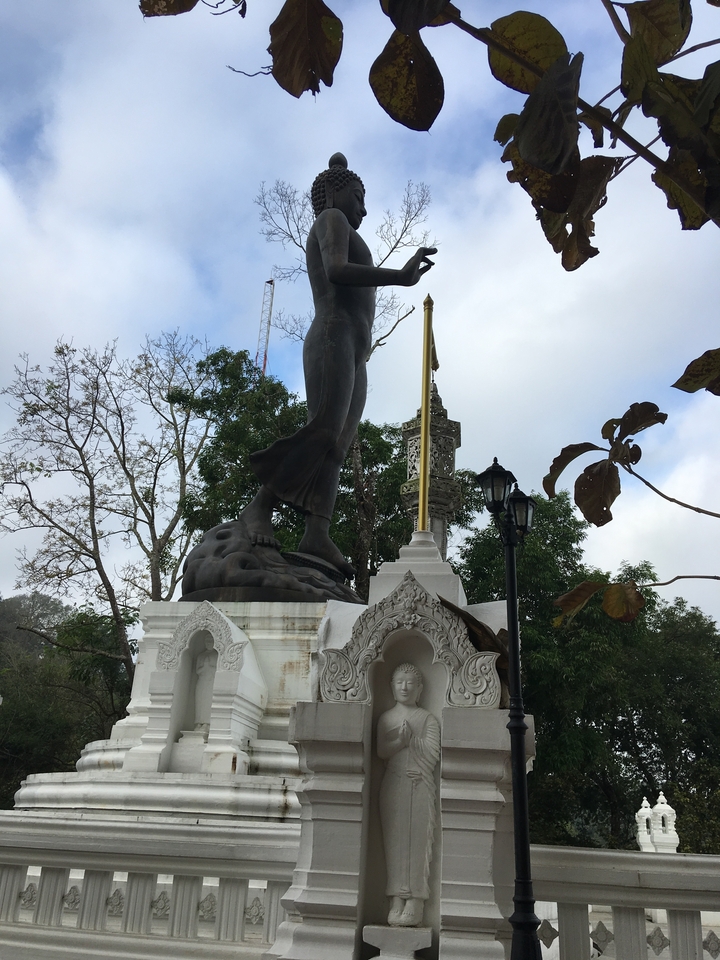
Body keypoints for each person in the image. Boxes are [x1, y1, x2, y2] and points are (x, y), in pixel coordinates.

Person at [239, 153, 437, 579]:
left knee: (338, 445)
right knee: (323, 429)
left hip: (355, 349)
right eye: (358, 196)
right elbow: (337, 269)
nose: (363, 208)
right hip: (332, 334)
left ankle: (317, 532)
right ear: (334, 191)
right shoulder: (332, 218)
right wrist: (400, 278)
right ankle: (259, 508)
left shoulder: (346, 223)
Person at [377, 663, 440, 927]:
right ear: (392, 687)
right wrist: (399, 742)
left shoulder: (427, 719)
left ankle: (415, 900)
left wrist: (411, 739)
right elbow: (382, 751)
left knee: (417, 843)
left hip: (419, 786)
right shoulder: (386, 718)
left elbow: (433, 754)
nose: (404, 687)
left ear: (420, 688)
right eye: (399, 682)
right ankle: (396, 899)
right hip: (393, 785)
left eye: (410, 683)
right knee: (395, 844)